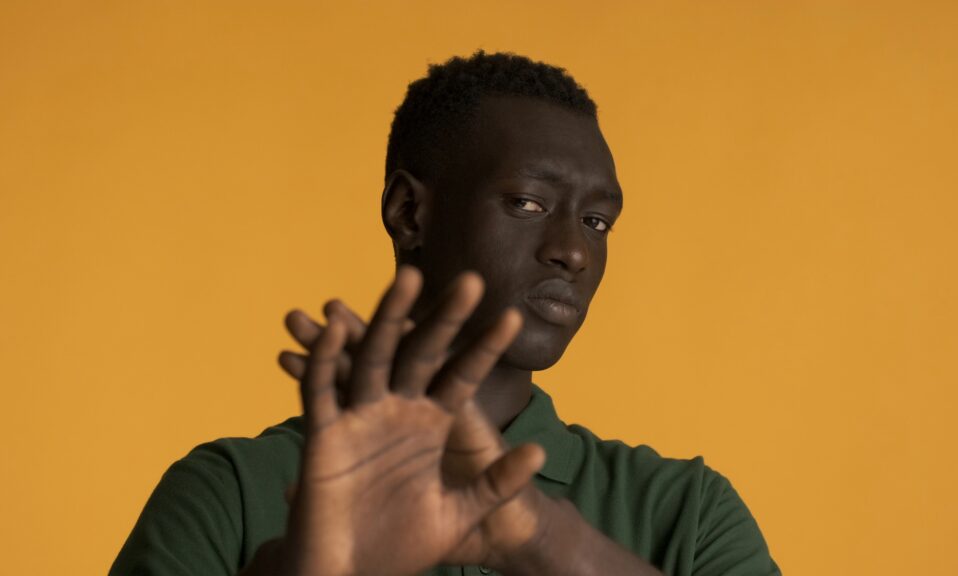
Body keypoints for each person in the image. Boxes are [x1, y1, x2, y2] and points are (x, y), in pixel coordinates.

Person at [111, 51, 781, 576]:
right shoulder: (229, 491)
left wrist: (536, 536)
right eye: (528, 203)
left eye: (599, 221)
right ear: (410, 212)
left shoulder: (686, 511)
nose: (574, 251)